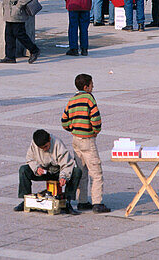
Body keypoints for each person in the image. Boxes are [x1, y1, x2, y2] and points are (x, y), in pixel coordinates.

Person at [61, 73, 110, 213]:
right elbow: (96, 118)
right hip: (87, 140)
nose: (93, 87)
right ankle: (97, 202)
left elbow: (64, 121)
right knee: (96, 172)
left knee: (81, 171)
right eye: (91, 85)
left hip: (76, 140)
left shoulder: (71, 100)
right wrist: (96, 130)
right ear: (86, 87)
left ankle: (82, 200)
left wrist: (72, 129)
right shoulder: (89, 99)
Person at [14, 129, 81, 213]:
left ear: (49, 139)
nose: (45, 149)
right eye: (42, 148)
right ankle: (25, 200)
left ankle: (67, 202)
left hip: (58, 172)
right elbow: (30, 159)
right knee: (23, 170)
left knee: (76, 172)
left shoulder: (57, 143)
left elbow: (67, 163)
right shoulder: (34, 144)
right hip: (43, 171)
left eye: (46, 146)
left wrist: (64, 176)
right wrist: (37, 168)